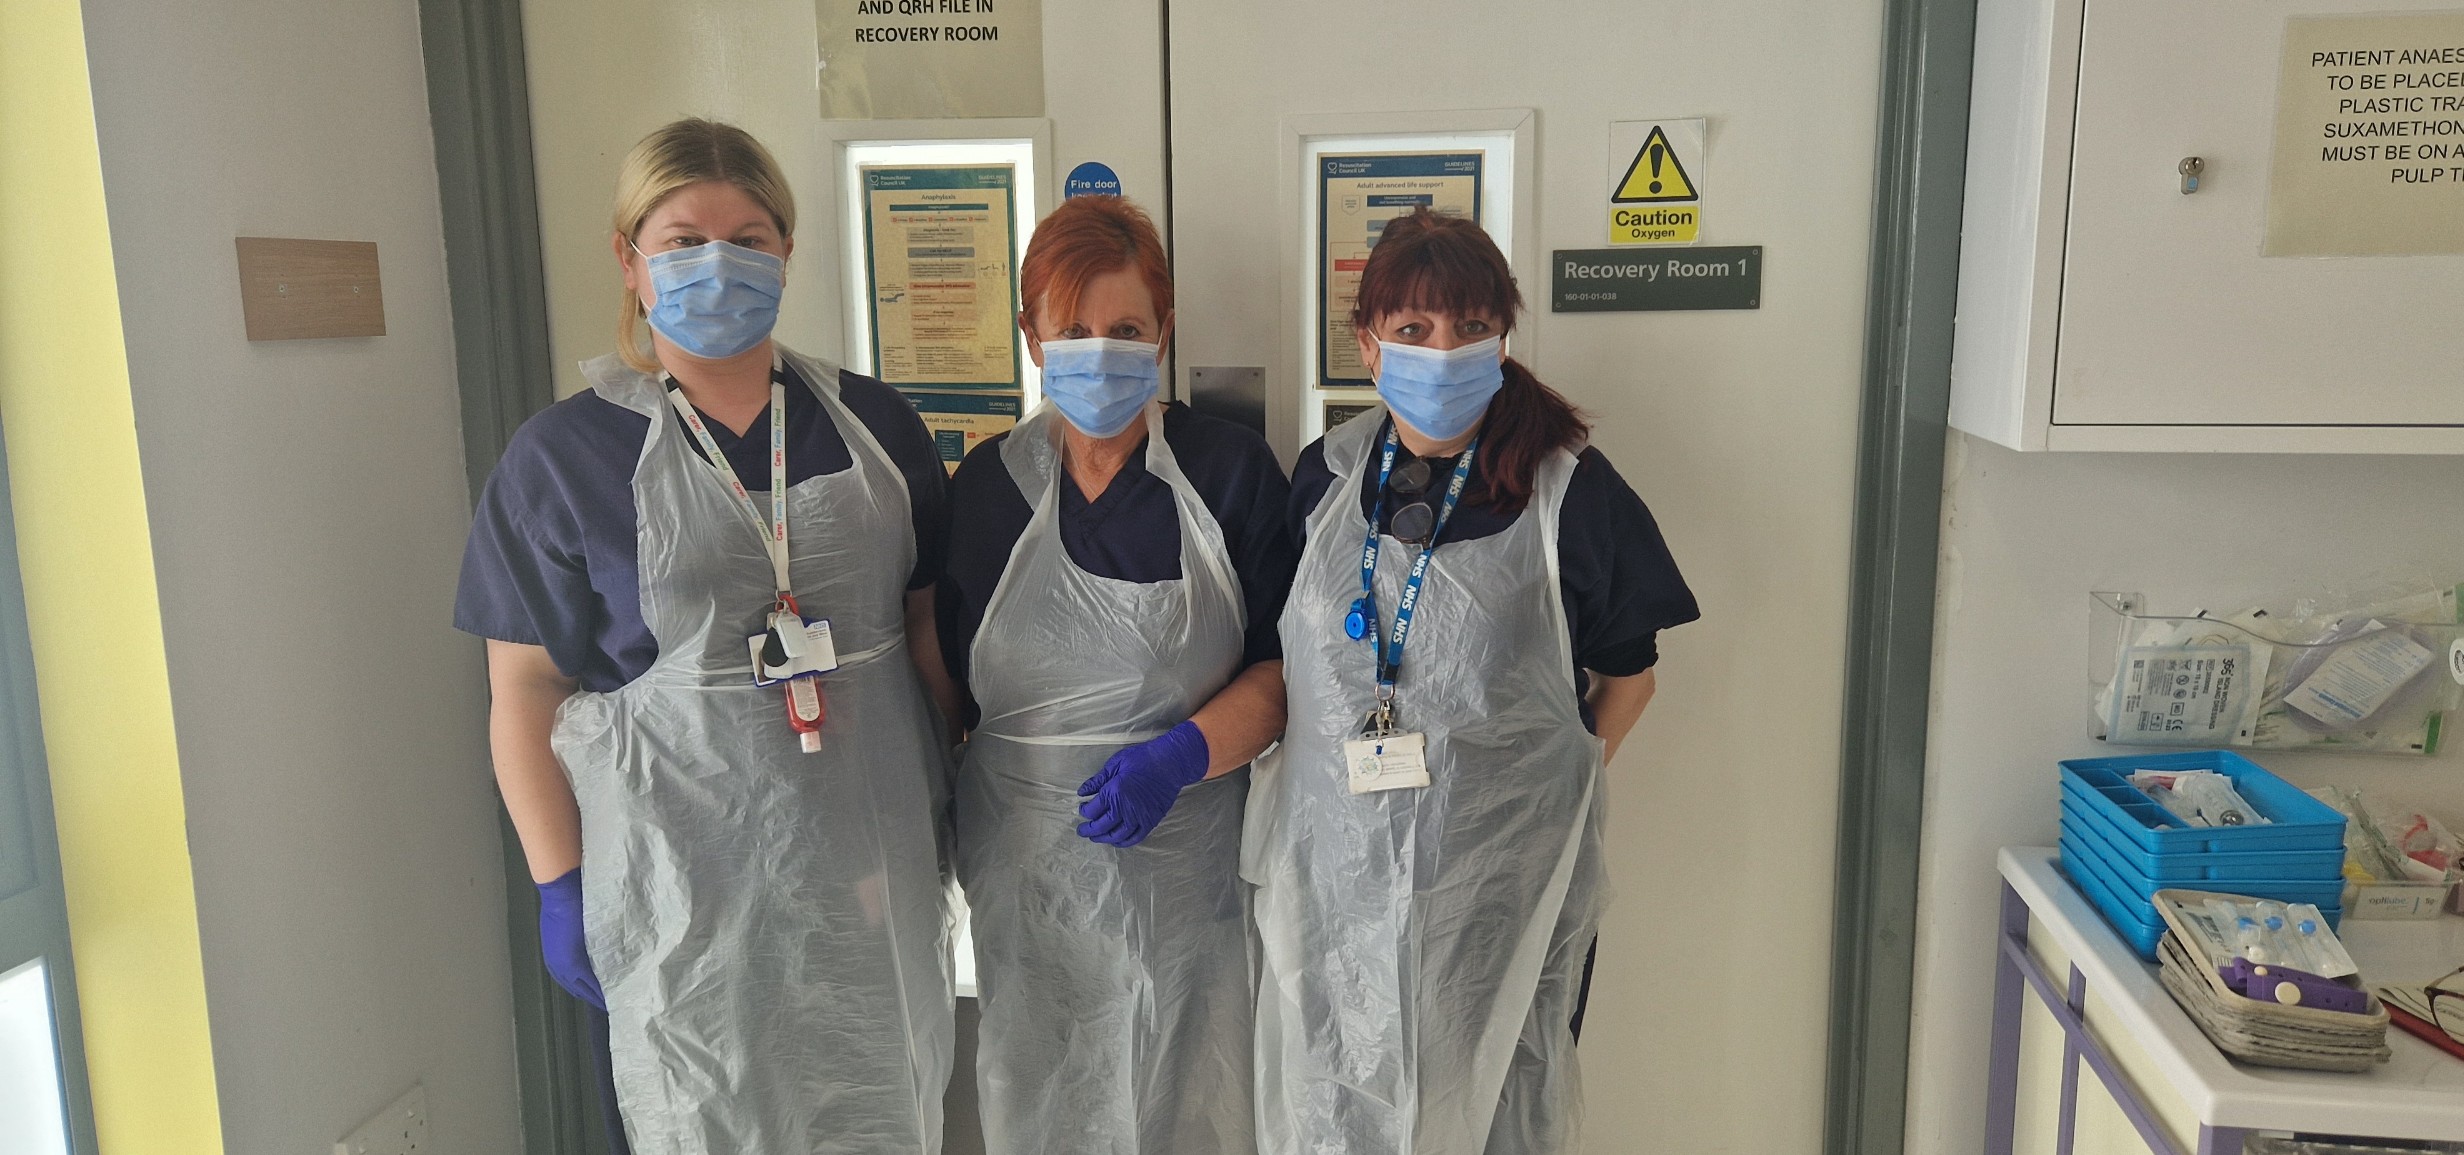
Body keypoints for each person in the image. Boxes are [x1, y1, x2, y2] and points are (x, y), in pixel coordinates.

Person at [454, 118, 958, 1154]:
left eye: (749, 236)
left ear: (786, 253)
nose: (716, 262)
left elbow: (923, 629)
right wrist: (560, 884)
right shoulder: (562, 456)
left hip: (864, 861)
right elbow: (526, 693)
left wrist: (954, 806)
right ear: (629, 258)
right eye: (682, 240)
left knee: (877, 1099)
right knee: (702, 1115)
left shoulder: (873, 424)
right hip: (676, 883)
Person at [1245, 208, 1700, 1155]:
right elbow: (1289, 666)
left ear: (1502, 338)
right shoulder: (1323, 480)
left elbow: (1630, 677)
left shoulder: (1571, 494)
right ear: (1369, 346)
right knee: (1337, 1104)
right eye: (1413, 330)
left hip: (1502, 894)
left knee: (1492, 1106)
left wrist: (1534, 797)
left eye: (1469, 326)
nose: (1442, 351)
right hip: (1338, 887)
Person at [941, 194, 1293, 1155]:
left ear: (1165, 331)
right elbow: (946, 690)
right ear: (1033, 335)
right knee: (1045, 1100)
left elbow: (1281, 670)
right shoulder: (981, 490)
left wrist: (1180, 755)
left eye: (1127, 328)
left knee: (1193, 1096)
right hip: (1028, 877)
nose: (1102, 351)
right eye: (1075, 329)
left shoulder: (1228, 475)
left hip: (1190, 872)